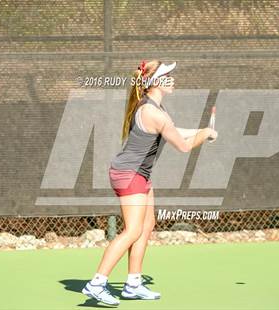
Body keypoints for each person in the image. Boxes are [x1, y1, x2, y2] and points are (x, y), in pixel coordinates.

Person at [82, 60, 218, 305]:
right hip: (129, 174)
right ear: (156, 82)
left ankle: (133, 283)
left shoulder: (153, 107)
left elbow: (174, 130)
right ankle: (97, 283)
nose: (173, 79)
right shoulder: (153, 112)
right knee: (132, 230)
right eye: (168, 76)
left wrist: (202, 130)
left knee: (147, 225)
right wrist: (204, 135)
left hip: (139, 174)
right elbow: (184, 146)